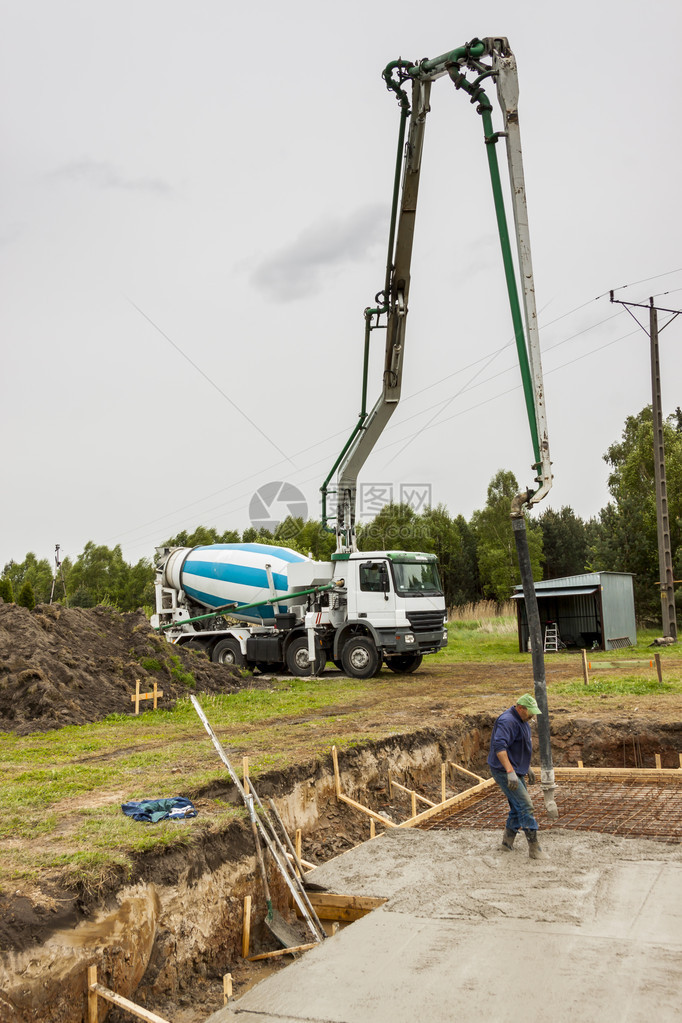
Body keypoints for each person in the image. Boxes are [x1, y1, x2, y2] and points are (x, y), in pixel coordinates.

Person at [487, 693, 545, 859]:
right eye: (530, 712)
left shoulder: (523, 720)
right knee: (525, 805)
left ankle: (507, 843)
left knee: (517, 806)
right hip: (503, 770)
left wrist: (526, 767)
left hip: (515, 769)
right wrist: (510, 772)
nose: (532, 715)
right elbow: (500, 747)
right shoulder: (508, 721)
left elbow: (520, 747)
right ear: (520, 708)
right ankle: (534, 849)